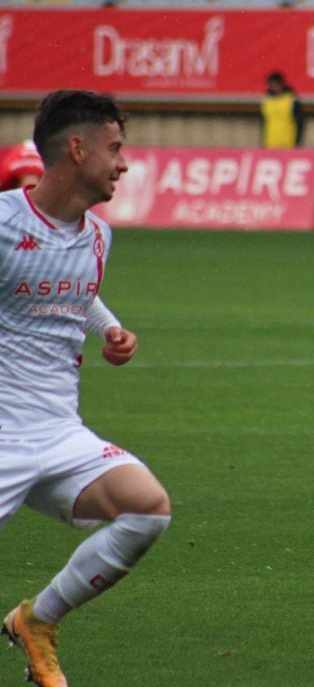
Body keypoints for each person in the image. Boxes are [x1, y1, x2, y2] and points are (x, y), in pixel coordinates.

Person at [1, 90, 171, 687]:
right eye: (115, 148)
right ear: (77, 148)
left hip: (59, 432)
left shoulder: (98, 238)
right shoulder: (2, 224)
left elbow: (71, 283)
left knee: (148, 509)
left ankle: (36, 621)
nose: (123, 163)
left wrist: (110, 328)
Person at [260, 71, 305, 148]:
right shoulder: (266, 100)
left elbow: (299, 122)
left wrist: (297, 142)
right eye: (270, 85)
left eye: (273, 85)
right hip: (270, 143)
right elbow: (263, 122)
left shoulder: (291, 100)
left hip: (288, 143)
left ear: (281, 84)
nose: (272, 87)